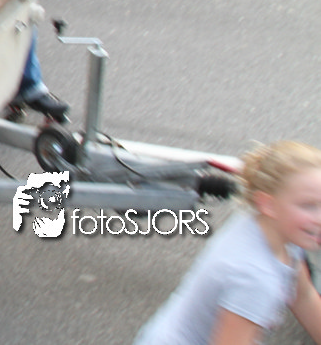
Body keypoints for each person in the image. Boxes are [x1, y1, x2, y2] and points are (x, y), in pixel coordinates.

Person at [134, 140, 321, 345]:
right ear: (268, 204)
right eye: (308, 206)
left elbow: (303, 296)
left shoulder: (274, 227)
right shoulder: (255, 279)